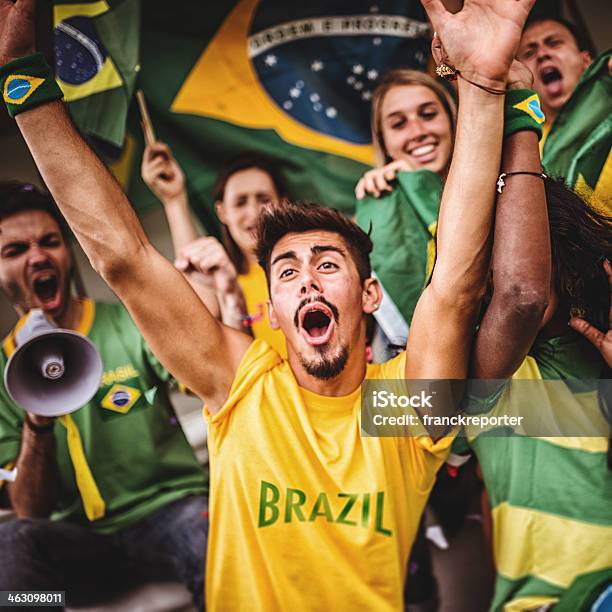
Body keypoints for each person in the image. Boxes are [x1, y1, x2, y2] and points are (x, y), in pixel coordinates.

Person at [0, 0, 537, 608]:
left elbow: (455, 284)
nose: (307, 278)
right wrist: (23, 77)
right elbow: (123, 257)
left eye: (327, 264)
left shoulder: (404, 406)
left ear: (369, 294)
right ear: (273, 311)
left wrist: (488, 86)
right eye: (286, 270)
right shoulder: (240, 384)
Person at [0, 182, 208, 610]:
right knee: (11, 545)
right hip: (83, 547)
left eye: (50, 242)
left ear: (67, 253)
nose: (38, 256)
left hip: (170, 516)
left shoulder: (129, 322)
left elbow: (204, 377)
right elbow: (29, 509)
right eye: (14, 250)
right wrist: (36, 420)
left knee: (209, 533)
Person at [454, 96, 612, 607]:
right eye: (491, 258)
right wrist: (519, 111)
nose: (506, 272)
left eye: (520, 246)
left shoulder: (599, 352)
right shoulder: (481, 375)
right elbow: (522, 298)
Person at [142, 145, 287, 356]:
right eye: (240, 202)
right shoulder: (223, 285)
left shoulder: (310, 270)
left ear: (283, 203)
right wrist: (174, 200)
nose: (254, 212)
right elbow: (197, 313)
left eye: (264, 199)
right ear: (222, 212)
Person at [354, 70, 456, 328]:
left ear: (453, 121)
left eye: (428, 114)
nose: (418, 131)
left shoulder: (500, 182)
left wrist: (420, 186)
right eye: (399, 124)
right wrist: (383, 209)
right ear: (384, 142)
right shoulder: (374, 212)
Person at [517, 17, 611, 211]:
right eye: (529, 52)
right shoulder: (520, 146)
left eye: (554, 43)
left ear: (586, 61)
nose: (542, 54)